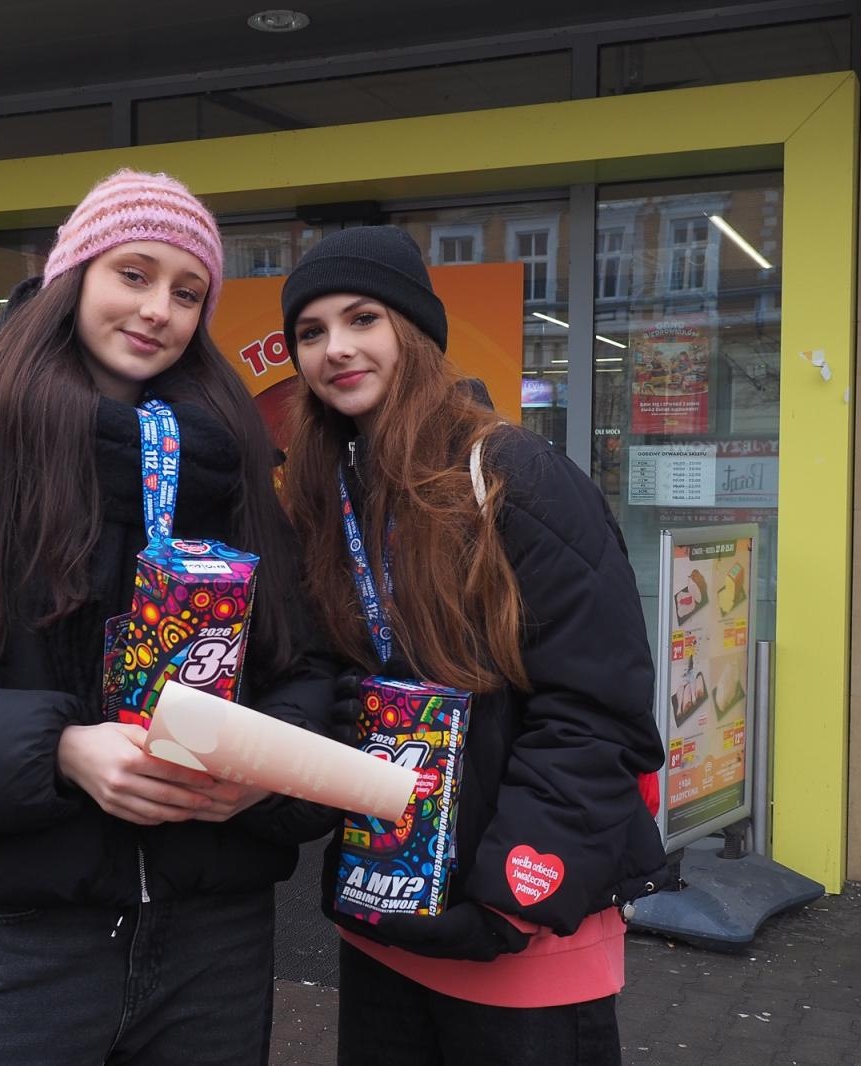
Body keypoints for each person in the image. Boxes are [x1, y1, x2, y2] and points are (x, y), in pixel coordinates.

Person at [0, 169, 337, 1066]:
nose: (159, 309)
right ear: (73, 277)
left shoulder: (235, 477)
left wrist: (266, 776)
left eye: (187, 291)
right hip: (35, 943)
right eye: (134, 273)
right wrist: (58, 749)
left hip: (219, 938)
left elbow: (311, 676)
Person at [276, 226, 667, 1066]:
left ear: (413, 331)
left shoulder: (515, 478)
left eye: (362, 318)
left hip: (519, 935)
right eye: (311, 333)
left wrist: (511, 895)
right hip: (392, 914)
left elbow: (597, 707)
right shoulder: (335, 495)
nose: (335, 348)